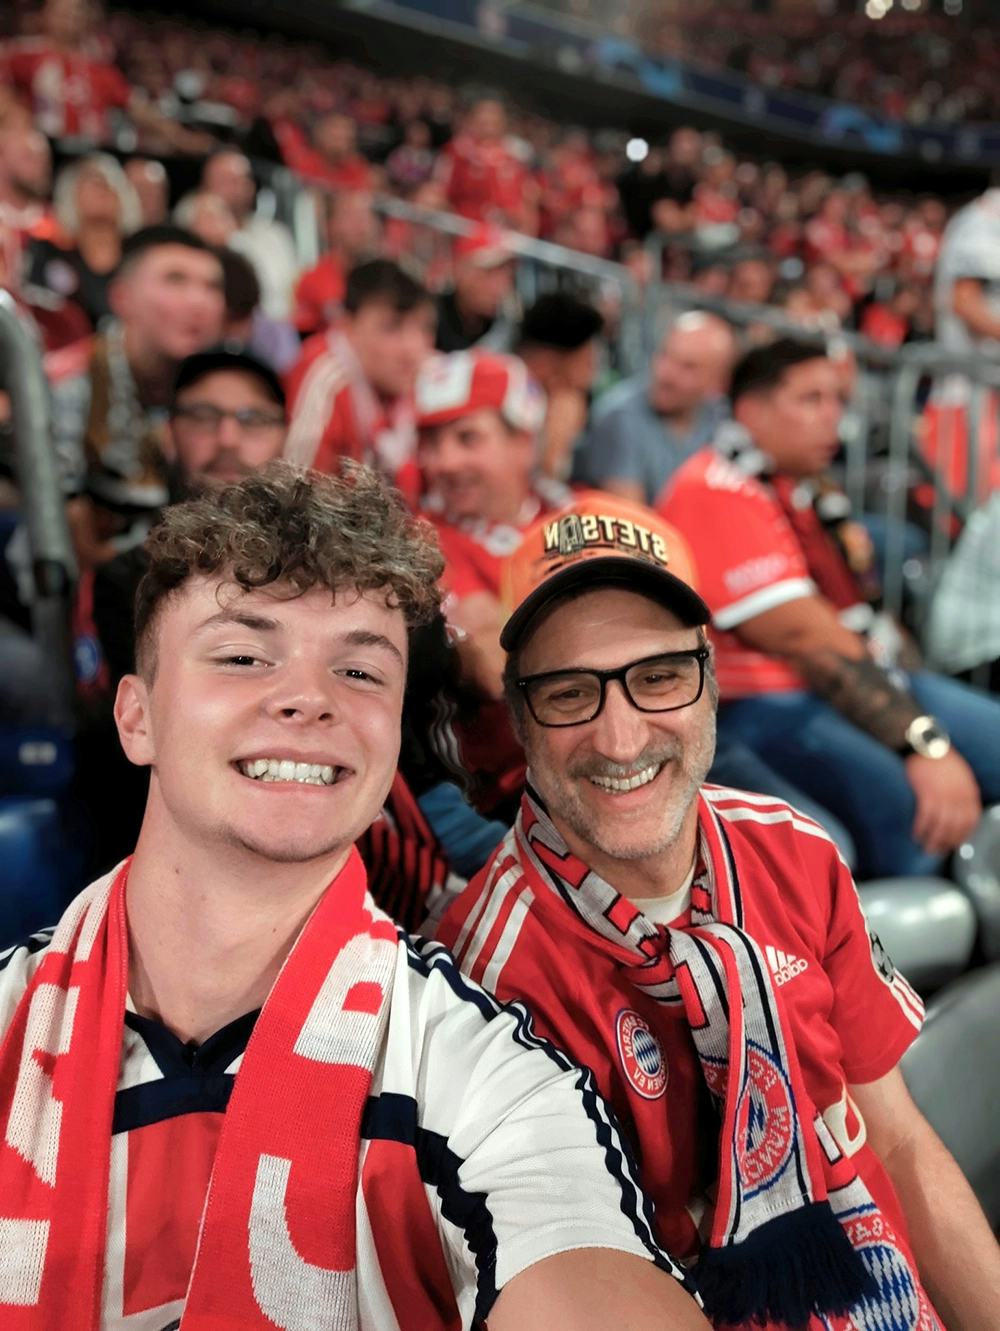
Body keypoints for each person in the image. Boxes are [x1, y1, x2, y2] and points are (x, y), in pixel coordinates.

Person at [0, 463, 708, 1331]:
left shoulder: (489, 1077)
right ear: (136, 717)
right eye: (243, 655)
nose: (308, 697)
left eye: (362, 672)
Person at [434, 493, 1000, 1331]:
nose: (622, 738)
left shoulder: (796, 849)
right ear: (519, 716)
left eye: (657, 676)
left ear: (708, 678)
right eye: (568, 692)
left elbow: (897, 1140)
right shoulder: (480, 977)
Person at [658, 337, 1000, 878]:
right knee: (912, 818)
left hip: (855, 679)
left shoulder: (804, 490)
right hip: (765, 704)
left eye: (838, 401)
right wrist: (924, 745)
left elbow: (861, 620)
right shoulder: (714, 487)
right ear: (751, 409)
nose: (833, 420)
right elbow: (806, 640)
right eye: (811, 399)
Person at [50, 223, 225, 569]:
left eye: (212, 286)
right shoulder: (66, 384)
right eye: (175, 280)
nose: (199, 301)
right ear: (121, 298)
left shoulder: (221, 387)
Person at [284, 259, 436, 502]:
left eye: (423, 328)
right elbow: (296, 498)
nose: (413, 348)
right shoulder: (326, 376)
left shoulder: (425, 373)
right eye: (391, 327)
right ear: (347, 326)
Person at [573, 311, 735, 505]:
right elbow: (633, 524)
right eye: (665, 355)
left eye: (688, 367)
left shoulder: (722, 417)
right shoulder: (620, 416)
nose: (666, 374)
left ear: (718, 383)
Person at [27, 152, 141, 329]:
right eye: (93, 181)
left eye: (110, 183)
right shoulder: (47, 252)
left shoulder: (141, 256)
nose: (103, 188)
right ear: (70, 196)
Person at [516, 291, 605, 481]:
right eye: (587, 362)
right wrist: (554, 446)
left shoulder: (572, 404)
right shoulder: (502, 407)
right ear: (547, 364)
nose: (591, 376)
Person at [199, 148, 299, 319]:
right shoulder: (200, 233)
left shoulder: (275, 233)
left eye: (244, 179)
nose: (239, 187)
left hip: (281, 326)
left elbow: (295, 287)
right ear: (207, 186)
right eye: (228, 180)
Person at [292, 190, 379, 338]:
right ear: (330, 225)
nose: (362, 225)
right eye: (352, 216)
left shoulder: (381, 279)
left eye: (366, 215)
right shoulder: (314, 279)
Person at [434, 224, 516, 354]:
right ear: (459, 271)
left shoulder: (506, 326)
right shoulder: (429, 317)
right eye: (488, 273)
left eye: (507, 275)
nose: (501, 286)